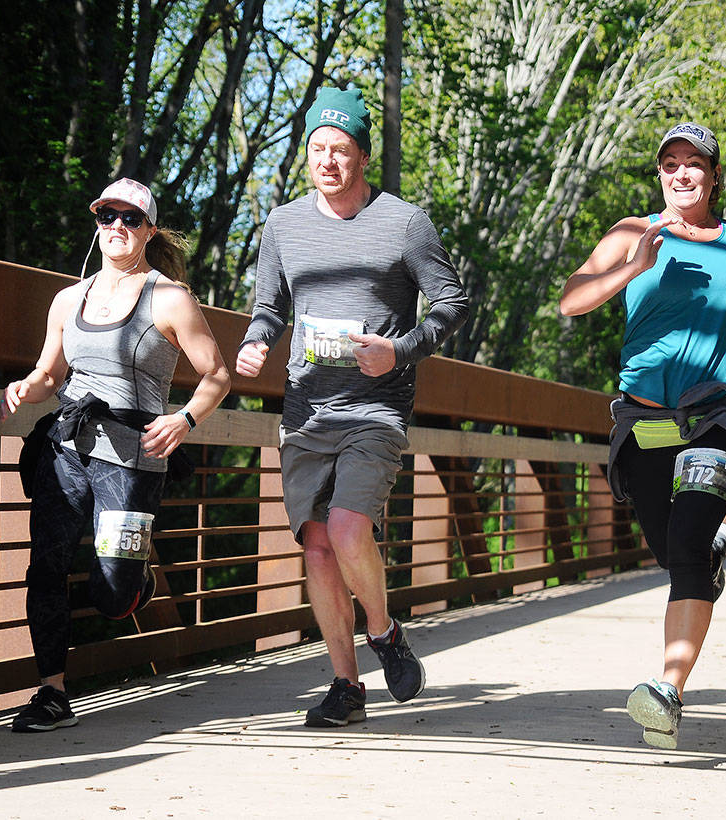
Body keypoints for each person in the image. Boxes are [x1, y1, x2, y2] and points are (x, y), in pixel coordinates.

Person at [560, 122, 726, 749]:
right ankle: (703, 566)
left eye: (694, 164)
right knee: (674, 551)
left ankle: (668, 691)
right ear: (660, 174)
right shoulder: (632, 232)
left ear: (713, 176)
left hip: (716, 414)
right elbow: (572, 300)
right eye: (670, 164)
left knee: (686, 541)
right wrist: (633, 268)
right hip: (645, 418)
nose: (681, 174)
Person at [235, 87, 469, 728]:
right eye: (317, 149)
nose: (328, 161)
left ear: (364, 156)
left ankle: (385, 630)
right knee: (315, 548)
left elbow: (450, 304)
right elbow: (268, 309)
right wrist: (256, 343)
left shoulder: (404, 222)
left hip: (376, 408)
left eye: (341, 150)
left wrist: (400, 350)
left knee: (345, 528)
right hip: (306, 411)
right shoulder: (282, 225)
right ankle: (346, 687)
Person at [0, 177, 231, 731]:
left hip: (133, 459)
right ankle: (51, 692)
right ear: (97, 222)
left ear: (149, 230)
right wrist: (27, 388)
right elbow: (51, 372)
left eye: (131, 219)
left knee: (112, 593)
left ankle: (135, 576)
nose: (118, 228)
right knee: (46, 567)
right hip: (66, 450)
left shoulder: (169, 297)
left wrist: (184, 417)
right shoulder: (67, 299)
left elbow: (216, 375)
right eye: (108, 216)